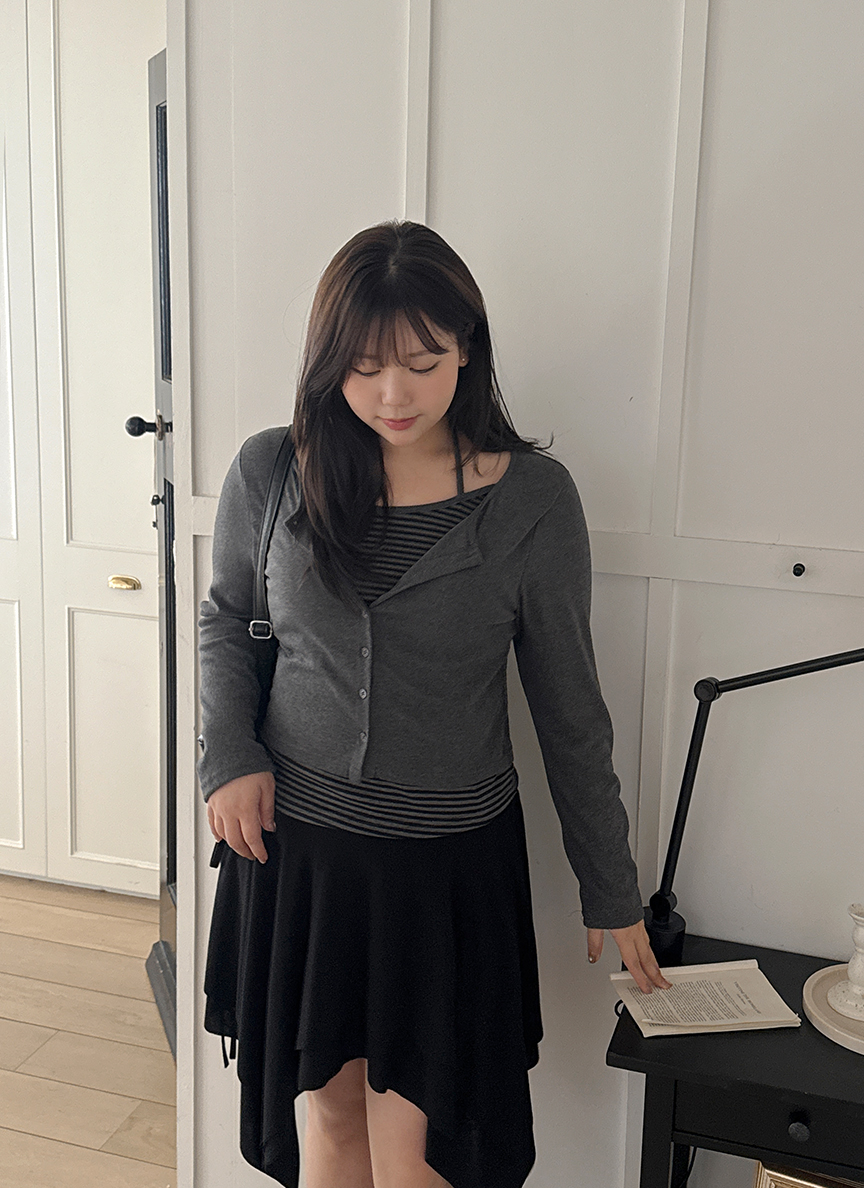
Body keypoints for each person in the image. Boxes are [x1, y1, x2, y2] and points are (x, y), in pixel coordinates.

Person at [198, 220, 668, 1188]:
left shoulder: (534, 500)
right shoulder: (270, 470)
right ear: (328, 360)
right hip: (303, 860)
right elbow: (227, 620)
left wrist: (611, 884)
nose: (394, 394)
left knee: (420, 1149)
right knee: (330, 1117)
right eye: (365, 366)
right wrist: (228, 756)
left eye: (422, 362)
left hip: (444, 876)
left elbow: (570, 708)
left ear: (468, 350)